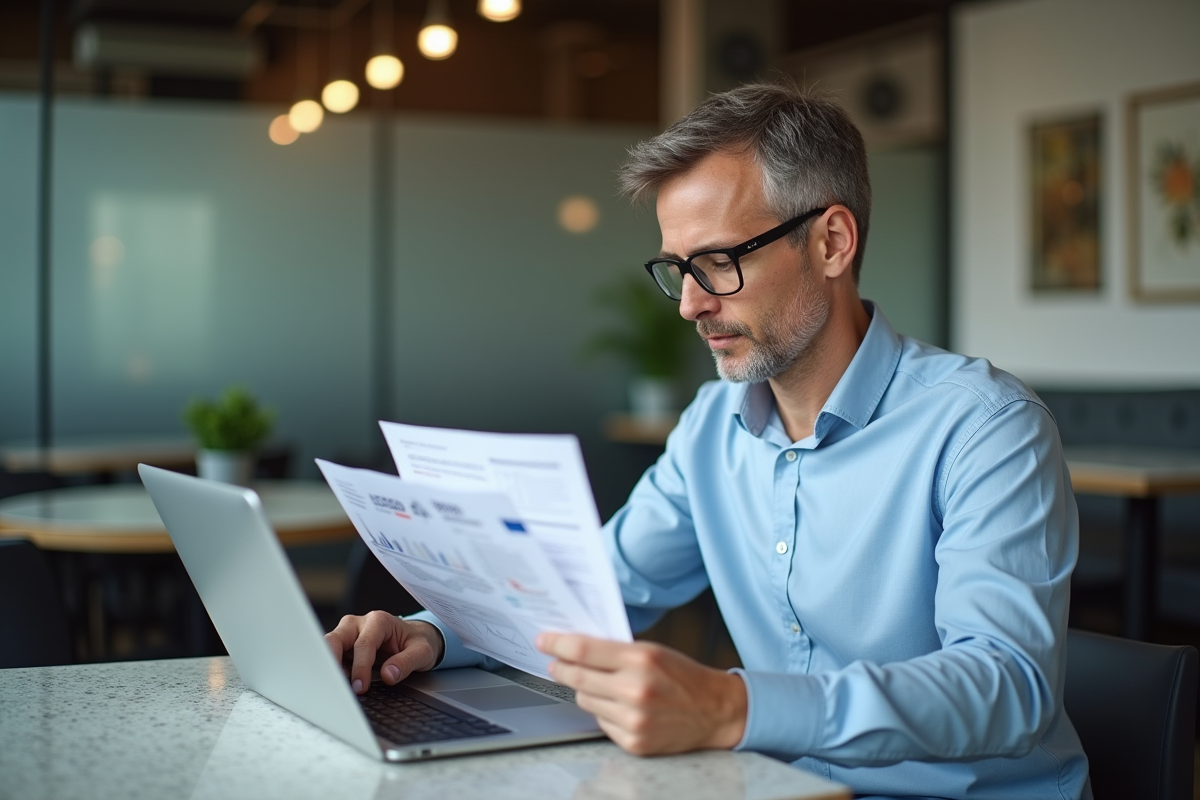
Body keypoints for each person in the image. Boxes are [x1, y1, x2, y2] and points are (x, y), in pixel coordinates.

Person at [326, 83, 1091, 799]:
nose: (690, 304)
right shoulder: (712, 427)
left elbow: (1007, 688)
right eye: (677, 268)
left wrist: (732, 706)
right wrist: (425, 636)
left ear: (830, 243)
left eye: (719, 262)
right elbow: (596, 592)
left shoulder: (986, 428)